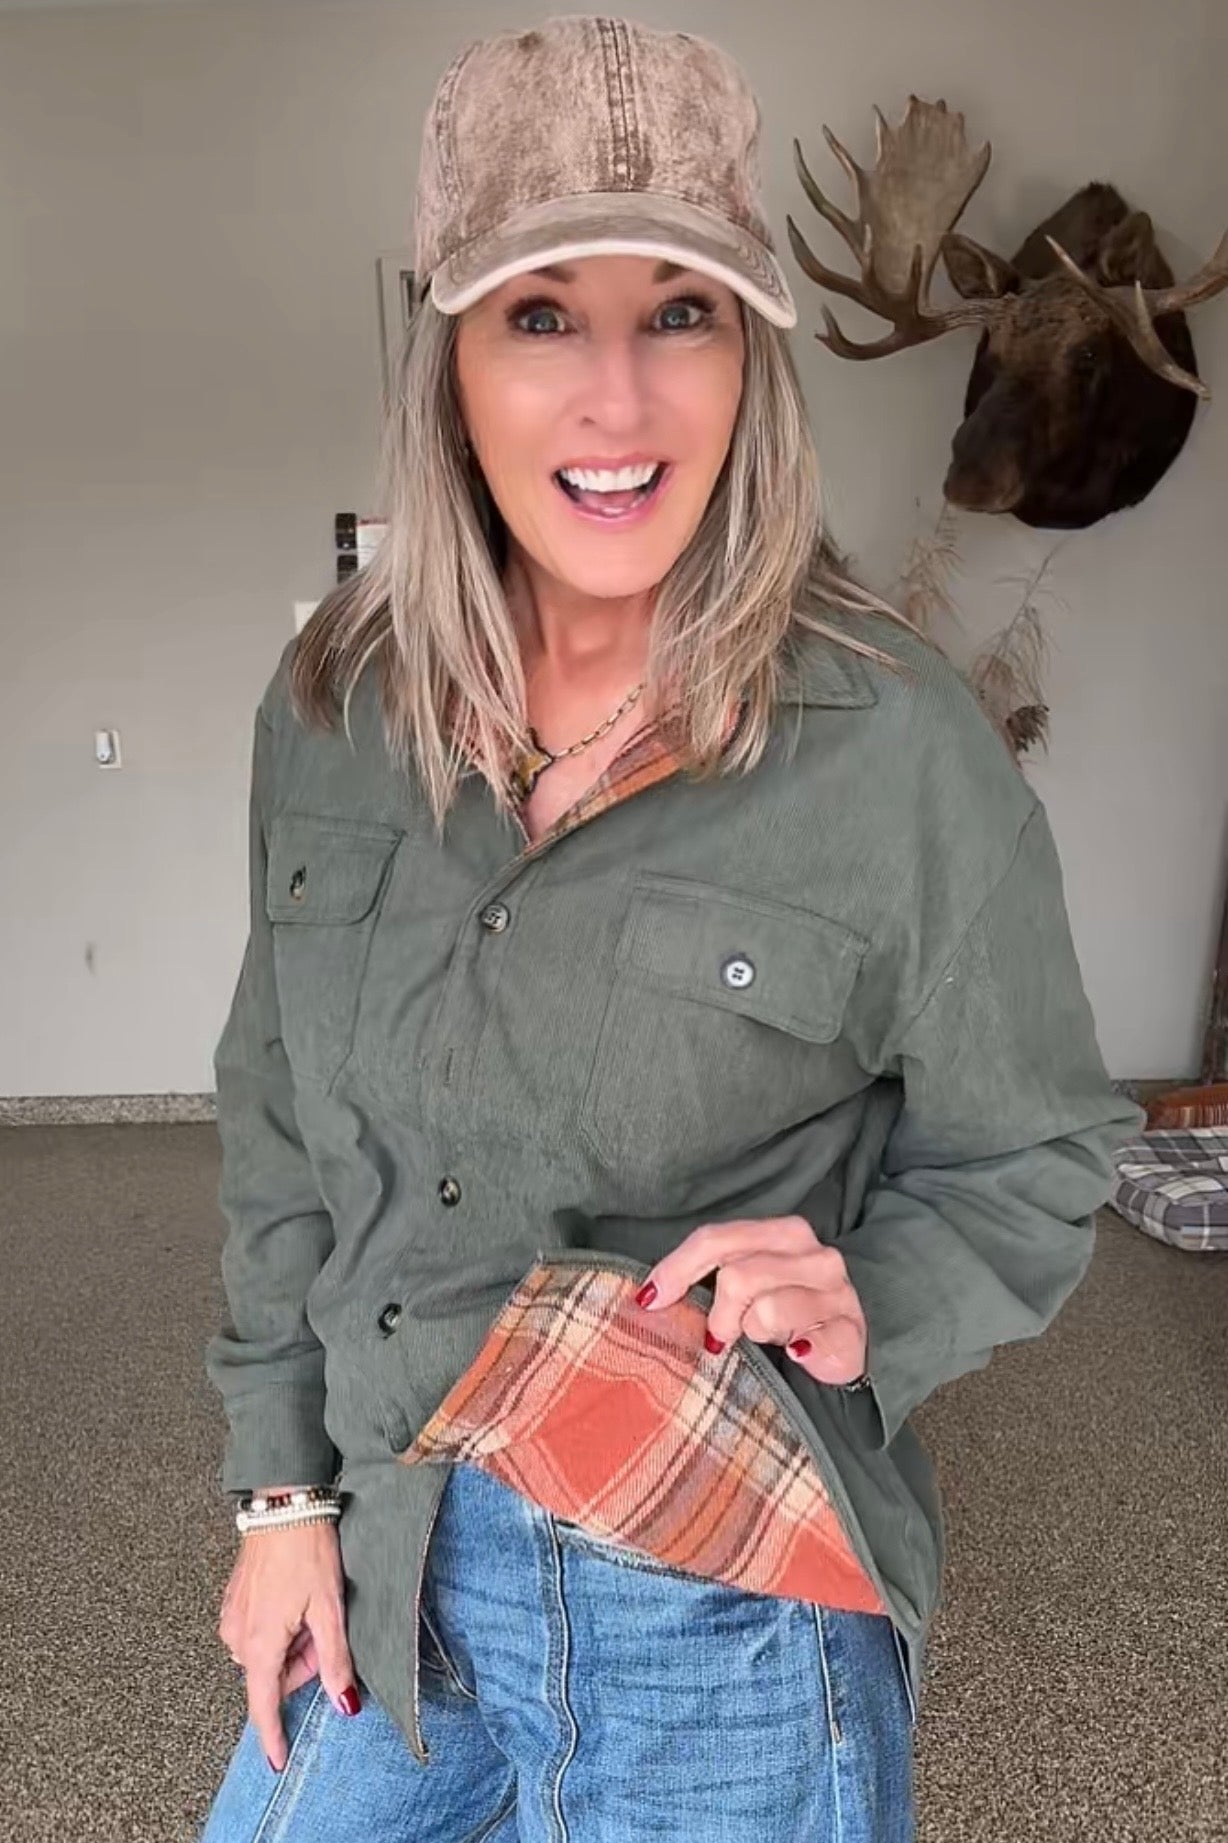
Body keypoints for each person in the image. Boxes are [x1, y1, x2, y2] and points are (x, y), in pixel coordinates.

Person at [198, 16, 1143, 1842]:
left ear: (751, 355)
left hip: (719, 1603)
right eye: (543, 315)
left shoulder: (898, 749)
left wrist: (875, 1294)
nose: (618, 405)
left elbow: (1036, 1150)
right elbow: (279, 1131)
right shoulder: (331, 713)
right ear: (450, 360)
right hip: (385, 1553)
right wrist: (279, 1497)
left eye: (682, 312)